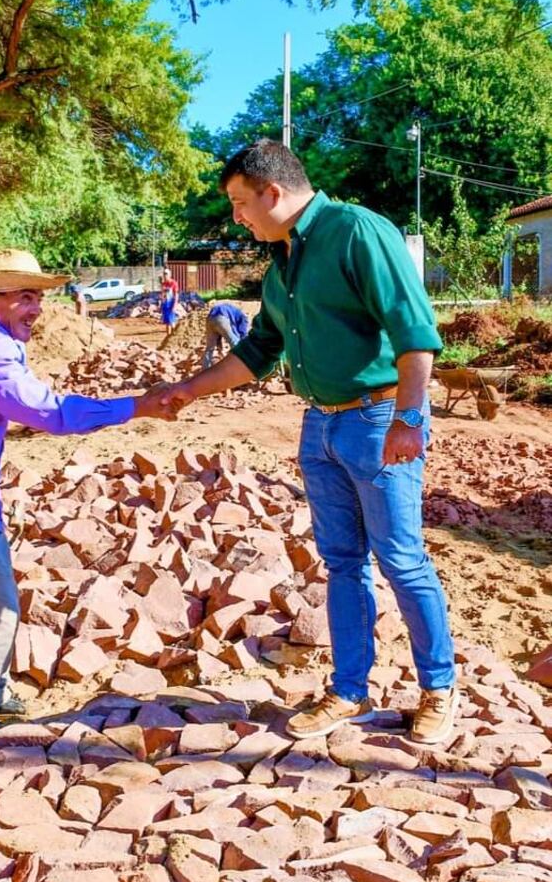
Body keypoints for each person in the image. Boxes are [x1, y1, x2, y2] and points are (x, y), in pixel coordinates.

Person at [160, 139, 457, 745]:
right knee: (344, 563)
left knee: (401, 559)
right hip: (319, 424)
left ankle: (438, 689)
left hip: (377, 421)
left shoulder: (357, 232)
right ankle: (350, 691)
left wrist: (411, 421)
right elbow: (257, 352)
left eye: (242, 203)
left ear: (273, 191)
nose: (238, 217)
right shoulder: (283, 262)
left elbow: (414, 332)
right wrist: (190, 390)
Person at [0, 248, 175, 757]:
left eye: (38, 295)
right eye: (24, 295)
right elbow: (45, 412)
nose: (36, 306)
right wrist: (136, 406)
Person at [202, 302, 250, 369]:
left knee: (209, 348)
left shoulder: (232, 312)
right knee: (235, 343)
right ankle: (242, 367)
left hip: (210, 319)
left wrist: (220, 348)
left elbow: (219, 334)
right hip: (221, 317)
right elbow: (243, 333)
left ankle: (205, 369)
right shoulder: (243, 317)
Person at [159, 267, 180, 337]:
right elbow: (162, 294)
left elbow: (176, 295)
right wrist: (161, 304)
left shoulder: (173, 283)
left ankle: (175, 336)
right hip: (165, 304)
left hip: (171, 304)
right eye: (164, 274)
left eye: (166, 274)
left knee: (171, 321)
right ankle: (168, 337)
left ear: (170, 275)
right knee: (167, 322)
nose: (165, 275)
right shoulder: (163, 284)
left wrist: (174, 305)